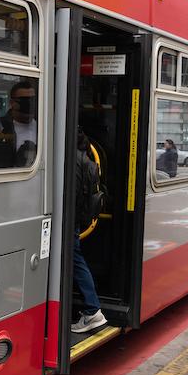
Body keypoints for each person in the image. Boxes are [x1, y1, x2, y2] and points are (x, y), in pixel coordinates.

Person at [72, 129, 107, 336]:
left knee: (75, 261)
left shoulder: (72, 161)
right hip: (78, 220)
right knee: (76, 260)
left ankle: (92, 309)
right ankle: (92, 309)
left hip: (69, 222)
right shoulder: (87, 159)